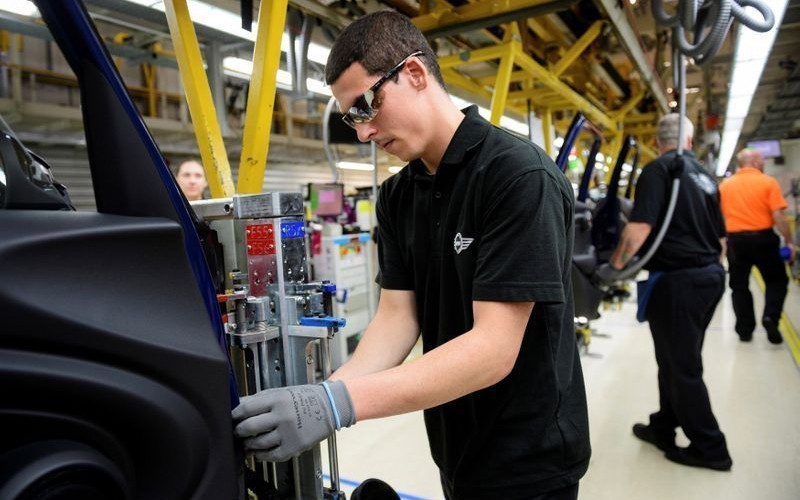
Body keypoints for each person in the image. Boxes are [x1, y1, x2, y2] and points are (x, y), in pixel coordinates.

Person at [232, 11, 590, 500]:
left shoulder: (518, 176)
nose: (362, 133)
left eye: (365, 107)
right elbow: (397, 319)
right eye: (350, 118)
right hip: (454, 443)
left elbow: (493, 350)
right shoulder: (398, 195)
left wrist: (339, 403)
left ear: (416, 73)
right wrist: (317, 398)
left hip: (530, 457)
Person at [603, 114, 732, 471]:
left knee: (682, 366)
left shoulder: (661, 170)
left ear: (659, 142)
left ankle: (711, 447)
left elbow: (640, 227)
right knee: (674, 360)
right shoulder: (705, 176)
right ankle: (663, 425)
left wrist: (613, 268)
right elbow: (722, 240)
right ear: (689, 141)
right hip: (709, 277)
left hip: (679, 283)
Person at [719, 148, 795, 344]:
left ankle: (744, 330)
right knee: (777, 281)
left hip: (735, 242)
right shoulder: (767, 182)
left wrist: (721, 246)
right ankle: (770, 317)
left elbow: (718, 217)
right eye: (761, 159)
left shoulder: (726, 186)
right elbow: (778, 215)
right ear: (753, 162)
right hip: (764, 240)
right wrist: (789, 241)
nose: (763, 163)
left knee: (739, 286)